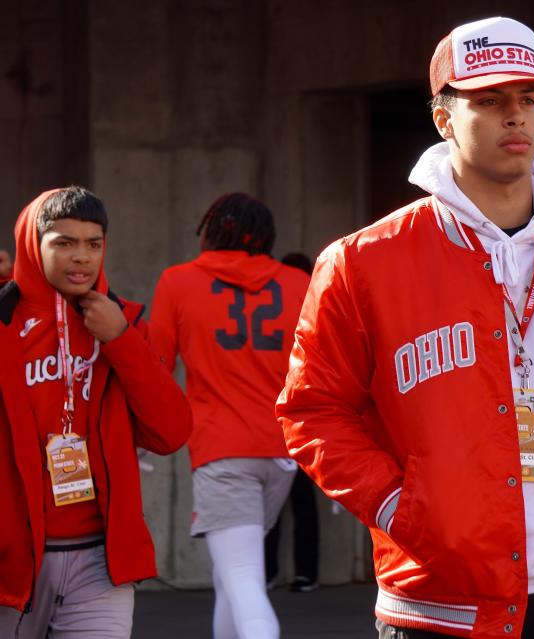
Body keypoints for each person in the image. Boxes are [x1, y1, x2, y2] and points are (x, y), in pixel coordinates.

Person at [277, 16, 534, 639]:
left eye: (528, 99)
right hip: (440, 601)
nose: (516, 116)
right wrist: (405, 508)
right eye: (489, 100)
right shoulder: (362, 262)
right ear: (442, 117)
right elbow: (312, 413)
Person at [0, 187, 193, 638]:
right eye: (64, 243)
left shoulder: (122, 321)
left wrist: (121, 339)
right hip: (11, 566)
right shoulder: (5, 325)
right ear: (33, 244)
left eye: (93, 243)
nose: (81, 257)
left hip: (99, 564)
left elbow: (171, 432)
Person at [149, 193, 309, 639]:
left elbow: (155, 369)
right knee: (231, 578)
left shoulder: (178, 282)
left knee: (242, 580)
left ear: (210, 230)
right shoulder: (297, 283)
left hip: (221, 449)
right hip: (283, 451)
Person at [264, 252, 321, 593]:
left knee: (271, 511)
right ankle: (305, 573)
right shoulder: (306, 308)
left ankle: (269, 572)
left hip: (280, 422)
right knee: (301, 504)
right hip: (303, 423)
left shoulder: (273, 311)